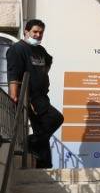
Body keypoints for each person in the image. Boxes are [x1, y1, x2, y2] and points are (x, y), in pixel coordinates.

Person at [7, 19, 63, 169]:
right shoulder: (17, 49)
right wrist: (14, 95)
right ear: (26, 31)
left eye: (41, 32)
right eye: (35, 32)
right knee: (56, 118)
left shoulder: (40, 50)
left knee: (42, 132)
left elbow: (49, 60)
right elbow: (13, 74)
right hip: (29, 97)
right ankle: (30, 142)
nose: (38, 35)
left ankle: (44, 165)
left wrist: (42, 76)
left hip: (42, 95)